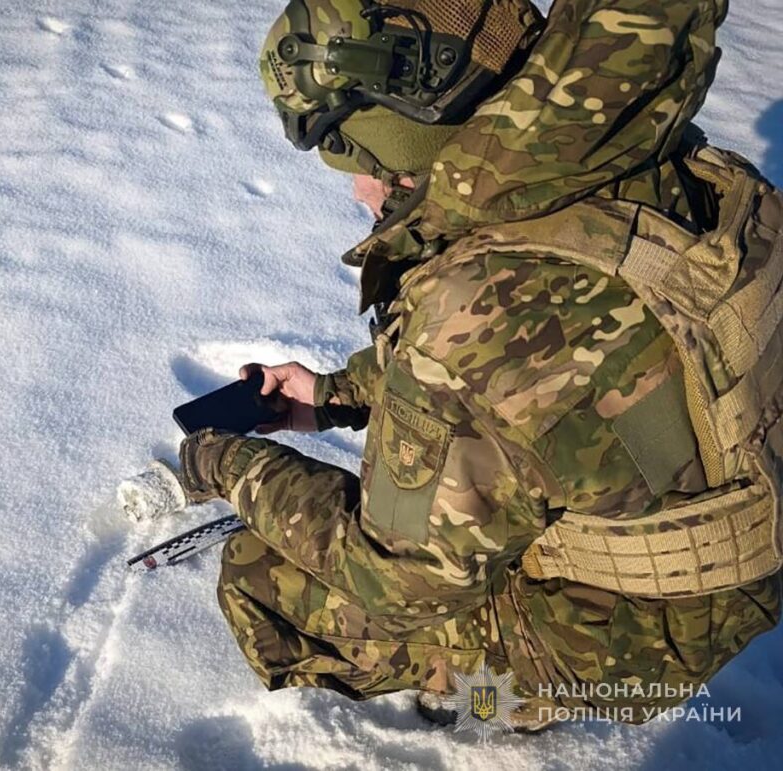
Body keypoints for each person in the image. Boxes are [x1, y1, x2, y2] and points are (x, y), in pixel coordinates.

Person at [177, 0, 783, 728]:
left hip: (626, 645)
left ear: (405, 140)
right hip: (737, 560)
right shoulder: (656, 162)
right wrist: (339, 393)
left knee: (256, 574)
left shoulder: (476, 312)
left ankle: (500, 699)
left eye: (355, 160)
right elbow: (549, 375)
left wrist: (229, 467)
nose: (358, 191)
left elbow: (393, 580)